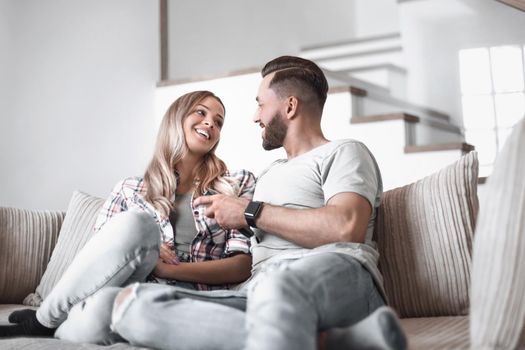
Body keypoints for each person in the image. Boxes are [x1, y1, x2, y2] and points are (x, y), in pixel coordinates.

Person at [99, 56, 407, 350]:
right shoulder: (267, 176)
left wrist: (249, 211)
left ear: (289, 106)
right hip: (257, 290)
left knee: (278, 287)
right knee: (136, 306)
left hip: (335, 277)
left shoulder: (344, 152)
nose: (255, 116)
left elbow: (345, 227)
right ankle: (330, 343)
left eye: (260, 104)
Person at [0, 90, 256, 342]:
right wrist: (151, 251)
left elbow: (241, 266)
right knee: (137, 225)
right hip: (129, 285)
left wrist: (168, 269)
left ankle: (45, 322)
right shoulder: (129, 189)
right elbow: (100, 256)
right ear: (176, 118)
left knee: (101, 310)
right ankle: (46, 320)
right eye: (201, 112)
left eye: (219, 122)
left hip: (182, 298)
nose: (211, 123)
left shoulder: (235, 184)